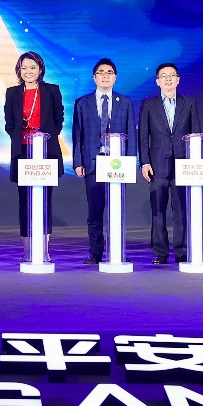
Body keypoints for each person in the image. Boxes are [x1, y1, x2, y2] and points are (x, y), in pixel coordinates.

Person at [71, 58, 137, 264]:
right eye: (101, 72)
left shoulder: (125, 102)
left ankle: (117, 250)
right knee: (95, 211)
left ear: (115, 77)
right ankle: (96, 252)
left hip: (118, 164)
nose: (105, 76)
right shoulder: (82, 103)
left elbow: (131, 134)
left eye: (109, 72)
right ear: (94, 77)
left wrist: (130, 162)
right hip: (93, 163)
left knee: (116, 209)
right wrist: (78, 162)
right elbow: (78, 135)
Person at [138, 63, 202, 265]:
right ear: (158, 81)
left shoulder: (189, 103)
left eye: (172, 75)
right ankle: (160, 252)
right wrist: (144, 162)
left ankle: (182, 251)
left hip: (184, 164)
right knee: (158, 210)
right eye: (163, 76)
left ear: (178, 80)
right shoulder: (149, 104)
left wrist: (195, 162)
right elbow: (143, 137)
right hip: (157, 165)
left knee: (182, 210)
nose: (168, 79)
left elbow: (196, 133)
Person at [4, 51, 65, 259]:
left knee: (45, 200)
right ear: (19, 71)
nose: (28, 72)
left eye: (32, 68)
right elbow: (10, 124)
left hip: (46, 152)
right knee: (25, 201)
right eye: (24, 68)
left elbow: (58, 121)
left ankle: (44, 250)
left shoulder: (52, 91)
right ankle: (27, 250)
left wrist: (41, 138)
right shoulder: (12, 93)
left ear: (40, 69)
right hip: (22, 152)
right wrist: (24, 138)